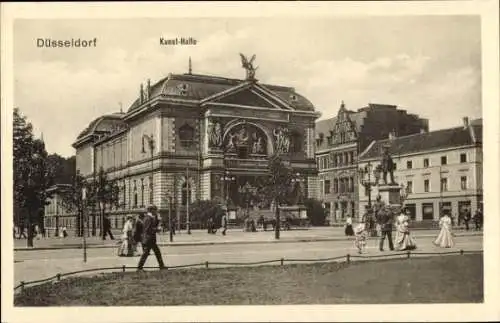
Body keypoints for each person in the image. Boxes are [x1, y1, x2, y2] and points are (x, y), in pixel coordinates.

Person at [137, 205, 166, 271]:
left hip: (150, 239)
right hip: (148, 239)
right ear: (152, 210)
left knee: (156, 252)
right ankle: (139, 268)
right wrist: (157, 229)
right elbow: (148, 230)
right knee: (146, 254)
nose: (156, 211)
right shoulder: (148, 218)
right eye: (155, 210)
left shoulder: (150, 217)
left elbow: (152, 227)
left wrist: (158, 221)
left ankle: (161, 266)